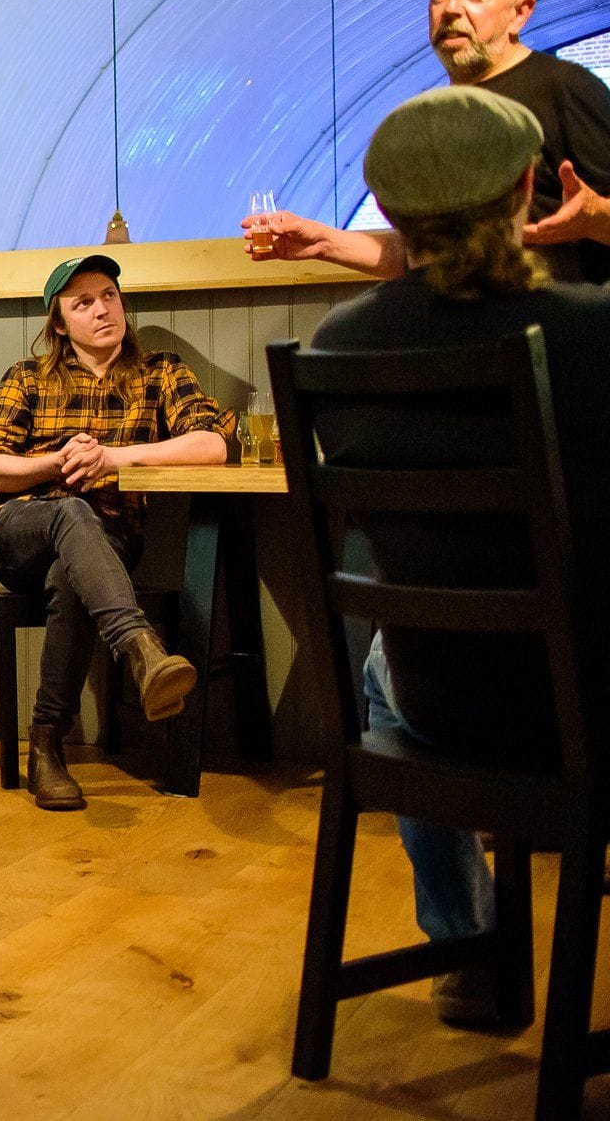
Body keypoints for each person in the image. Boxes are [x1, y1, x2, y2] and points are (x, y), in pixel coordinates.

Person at [307, 85, 610, 1027]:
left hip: (443, 706)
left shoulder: (337, 345)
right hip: (591, 705)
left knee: (383, 658)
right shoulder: (592, 329)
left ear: (388, 208)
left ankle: (470, 948)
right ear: (525, 188)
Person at [0, 255, 227, 811]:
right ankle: (140, 648)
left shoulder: (160, 371)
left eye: (109, 295)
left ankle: (46, 746)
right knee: (70, 511)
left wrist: (114, 458)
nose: (102, 309)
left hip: (109, 536)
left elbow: (212, 444)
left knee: (73, 574)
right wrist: (59, 461)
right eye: (83, 302)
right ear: (60, 323)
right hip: (22, 531)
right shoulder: (28, 376)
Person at [243, 0, 610, 283]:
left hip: (554, 323)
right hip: (461, 322)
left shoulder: (565, 87)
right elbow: (423, 257)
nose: (451, 8)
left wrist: (595, 217)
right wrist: (323, 242)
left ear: (520, 14)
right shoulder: (439, 114)